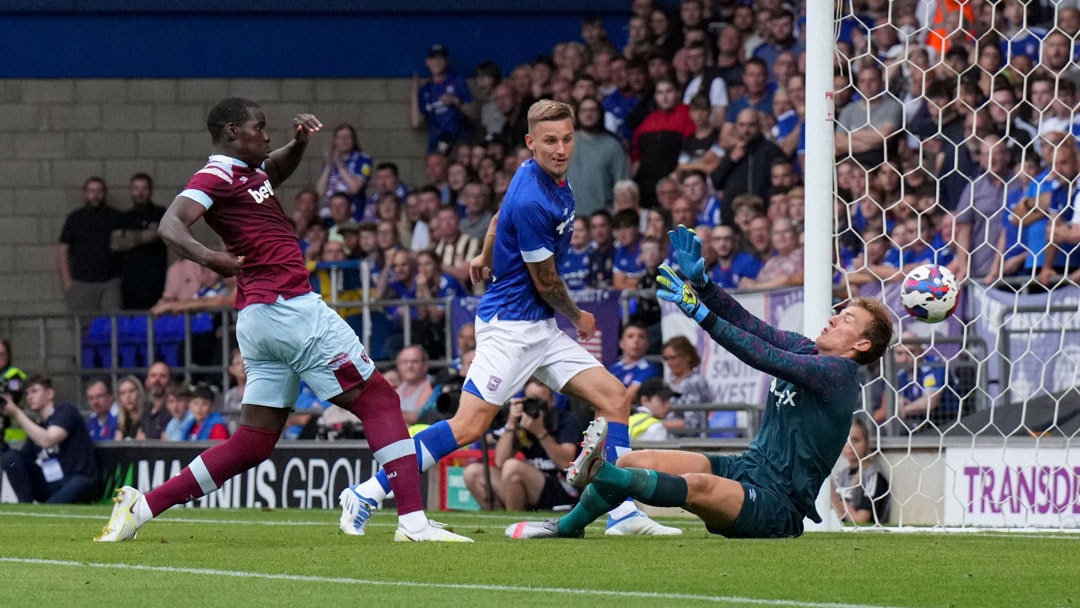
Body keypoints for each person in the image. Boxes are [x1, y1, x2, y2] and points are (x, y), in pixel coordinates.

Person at [95, 97, 468, 543]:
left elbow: (274, 170)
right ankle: (412, 522)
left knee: (254, 440)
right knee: (380, 401)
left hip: (258, 319)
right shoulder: (215, 174)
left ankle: (143, 507)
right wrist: (213, 258)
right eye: (260, 127)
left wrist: (299, 142)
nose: (267, 135)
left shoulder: (249, 173)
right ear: (233, 132)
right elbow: (171, 224)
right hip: (288, 307)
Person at [341, 100, 678, 537]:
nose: (561, 149)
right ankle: (367, 492)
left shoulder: (531, 173)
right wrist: (579, 317)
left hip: (539, 327)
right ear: (530, 142)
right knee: (468, 426)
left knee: (614, 398)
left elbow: (499, 216)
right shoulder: (535, 201)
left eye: (567, 139)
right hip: (512, 329)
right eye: (550, 141)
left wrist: (483, 252)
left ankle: (623, 513)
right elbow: (546, 282)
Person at [506, 225, 893, 540]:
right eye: (840, 310)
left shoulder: (839, 375)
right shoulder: (808, 349)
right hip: (746, 468)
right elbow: (749, 326)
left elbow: (762, 355)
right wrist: (704, 284)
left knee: (696, 485)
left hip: (777, 506)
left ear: (861, 343)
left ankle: (600, 472)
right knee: (634, 459)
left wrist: (700, 314)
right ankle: (568, 526)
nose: (834, 316)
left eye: (847, 319)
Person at [462, 379, 582, 511]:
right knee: (472, 473)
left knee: (512, 467)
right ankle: (498, 519)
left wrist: (541, 433)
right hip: (528, 485)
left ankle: (513, 520)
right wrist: (511, 424)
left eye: (538, 401)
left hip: (561, 488)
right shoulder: (522, 422)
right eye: (529, 400)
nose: (534, 406)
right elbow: (500, 461)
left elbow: (566, 463)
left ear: (552, 400)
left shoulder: (566, 420)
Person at [2, 375, 99, 503]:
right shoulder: (36, 426)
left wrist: (17, 413)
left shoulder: (66, 411)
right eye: (27, 393)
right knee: (11, 457)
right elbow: (20, 462)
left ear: (50, 393)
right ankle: (25, 505)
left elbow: (48, 440)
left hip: (77, 478)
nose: (29, 397)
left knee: (51, 507)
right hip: (51, 482)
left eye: (35, 391)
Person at [57, 176, 123, 312]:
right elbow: (63, 249)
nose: (95, 195)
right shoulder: (75, 218)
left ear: (104, 194)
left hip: (110, 282)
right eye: (91, 191)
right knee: (83, 326)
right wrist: (68, 281)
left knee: (114, 326)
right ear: (85, 194)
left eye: (99, 191)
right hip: (82, 283)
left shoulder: (116, 217)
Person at [111, 172, 168, 310]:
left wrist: (129, 237)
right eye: (136, 188)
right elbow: (115, 244)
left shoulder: (161, 213)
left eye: (144, 188)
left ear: (151, 190)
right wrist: (145, 235)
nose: (140, 192)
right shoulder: (123, 217)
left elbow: (156, 234)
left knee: (156, 323)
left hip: (156, 280)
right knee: (132, 325)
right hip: (130, 282)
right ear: (131, 191)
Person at [412, 44, 474, 154]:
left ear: (446, 61)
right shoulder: (426, 89)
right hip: (435, 144)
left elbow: (473, 112)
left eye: (440, 58)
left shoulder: (457, 81)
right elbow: (416, 122)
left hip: (457, 141)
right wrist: (414, 92)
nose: (437, 62)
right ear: (428, 62)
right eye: (433, 59)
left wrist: (455, 101)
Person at [831, 417, 890, 525]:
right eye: (845, 440)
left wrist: (842, 506)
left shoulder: (872, 475)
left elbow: (862, 519)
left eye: (856, 440)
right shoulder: (841, 474)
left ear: (867, 443)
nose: (850, 446)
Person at [315, 123, 372, 219]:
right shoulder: (328, 161)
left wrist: (340, 165)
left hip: (353, 213)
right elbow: (319, 192)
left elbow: (355, 188)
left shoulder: (364, 159)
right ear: (335, 141)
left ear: (354, 140)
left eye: (347, 137)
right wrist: (329, 165)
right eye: (340, 138)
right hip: (329, 213)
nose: (344, 141)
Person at [0, 338, 27, 450]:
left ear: (8, 355)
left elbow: (8, 401)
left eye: (1, 354)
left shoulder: (14, 376)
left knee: (11, 465)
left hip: (13, 438)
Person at [629, 377, 674, 441]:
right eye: (663, 400)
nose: (668, 405)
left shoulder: (627, 420)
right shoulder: (656, 427)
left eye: (669, 400)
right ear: (645, 400)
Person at [139, 360, 173, 440]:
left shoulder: (174, 410)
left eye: (162, 376)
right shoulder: (145, 410)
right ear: (146, 381)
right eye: (153, 375)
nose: (157, 380)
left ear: (170, 381)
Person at [113, 375, 147, 441]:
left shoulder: (148, 419)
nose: (127, 396)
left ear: (139, 392)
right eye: (123, 393)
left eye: (131, 391)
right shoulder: (120, 423)